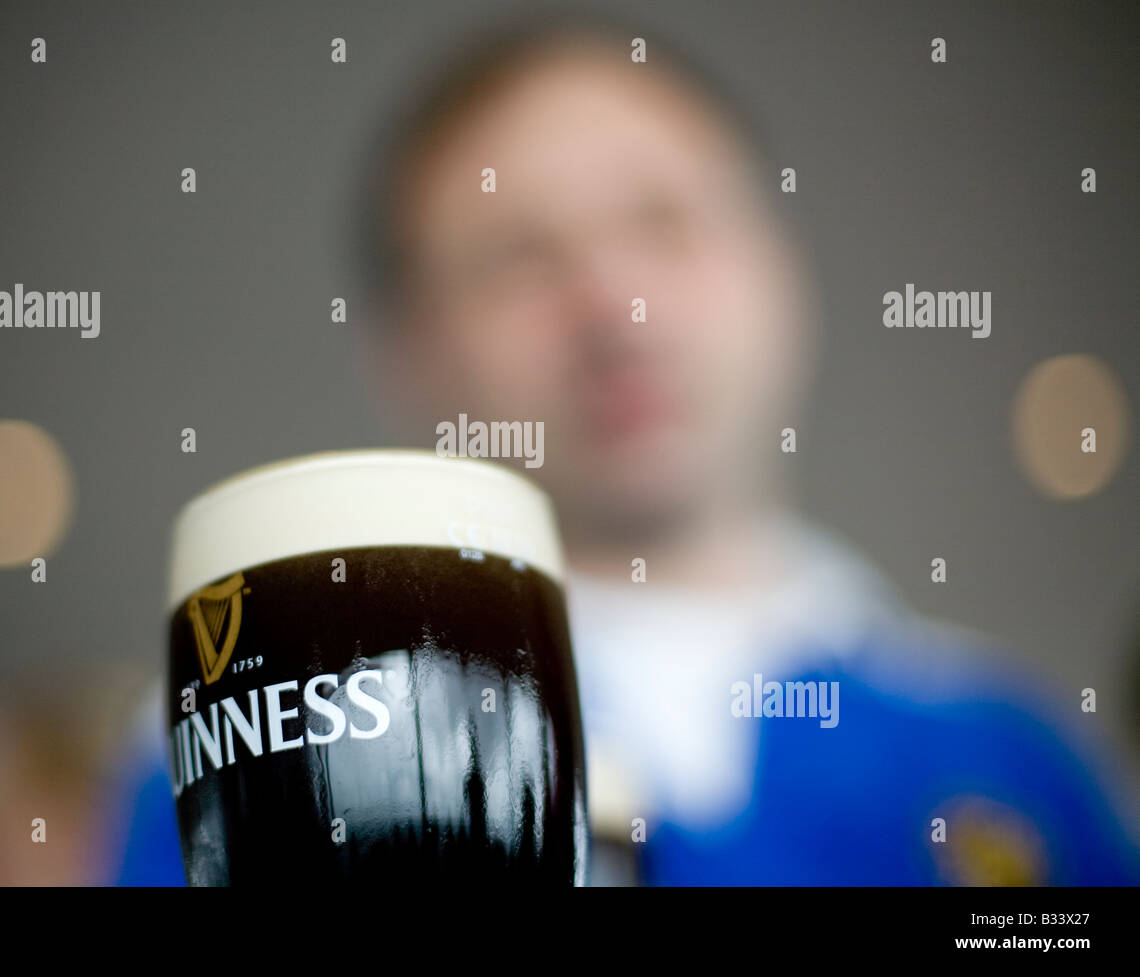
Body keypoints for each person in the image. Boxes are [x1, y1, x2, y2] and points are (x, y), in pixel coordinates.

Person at [105, 9, 1139, 884]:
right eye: (519, 259)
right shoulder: (254, 752)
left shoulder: (1012, 750)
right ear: (409, 358)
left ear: (779, 266)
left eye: (665, 220)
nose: (612, 303)